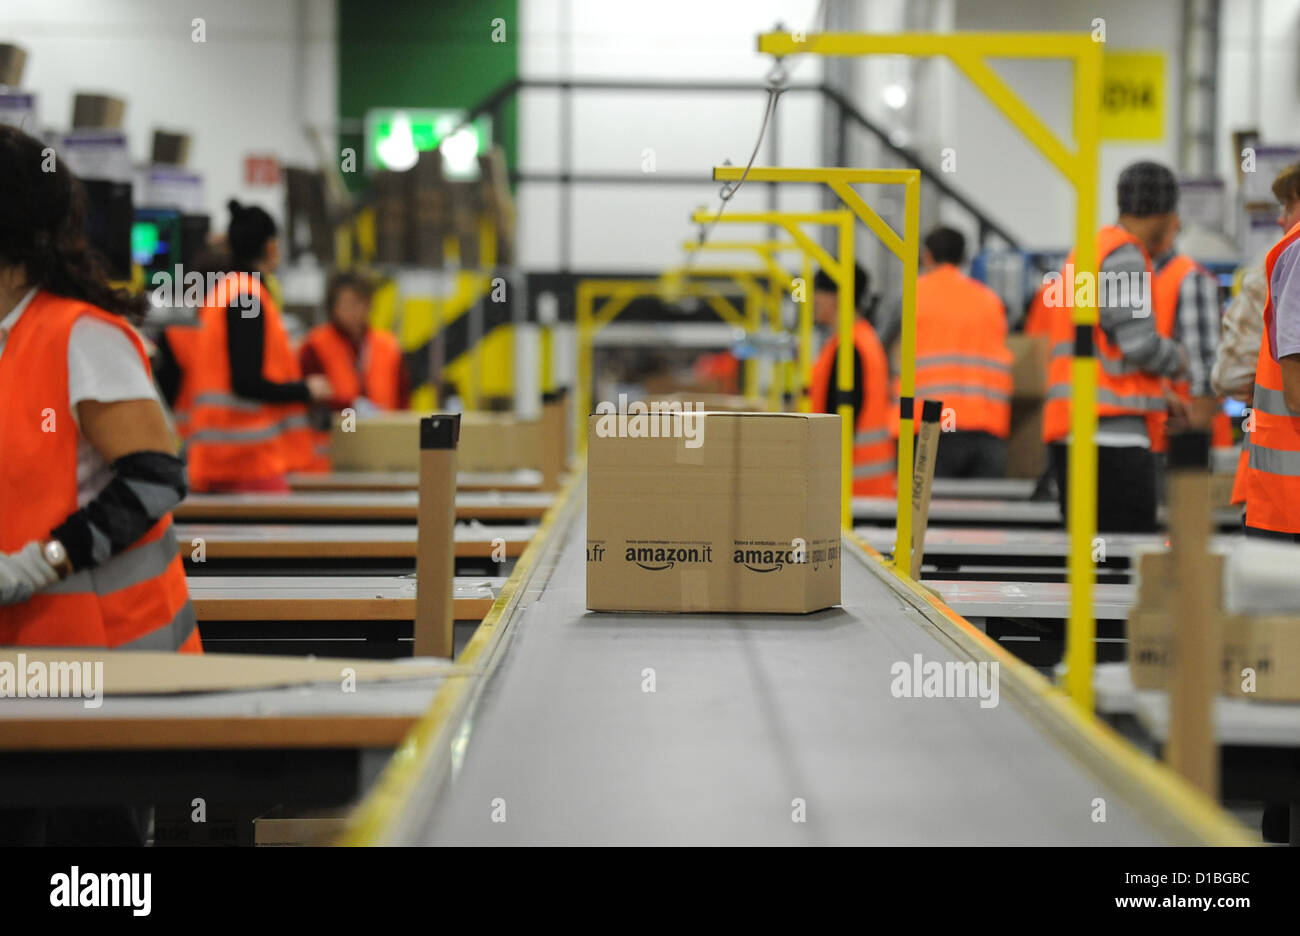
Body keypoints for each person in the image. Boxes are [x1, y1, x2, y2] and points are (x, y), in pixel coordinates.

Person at [0, 124, 199, 654]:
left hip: (112, 656)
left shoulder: (80, 337)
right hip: (30, 652)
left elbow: (156, 480)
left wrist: (44, 562)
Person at [1042, 161, 1187, 532]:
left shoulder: (1088, 251)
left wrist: (1156, 392)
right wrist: (1179, 361)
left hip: (1077, 429)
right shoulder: (1126, 255)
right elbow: (1139, 343)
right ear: (1166, 213)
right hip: (1113, 441)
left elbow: (1104, 342)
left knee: (1091, 571)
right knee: (1122, 567)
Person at [185, 201, 332, 492]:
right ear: (271, 247)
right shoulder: (247, 297)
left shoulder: (226, 292)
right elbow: (247, 381)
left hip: (221, 458)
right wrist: (307, 389)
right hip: (244, 460)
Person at [1214, 163, 1300, 508]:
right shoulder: (1277, 265)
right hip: (1281, 493)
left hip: (1277, 492)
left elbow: (1229, 376)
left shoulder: (1267, 272)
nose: (1281, 219)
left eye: (1288, 206)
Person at [900, 226, 1012, 478]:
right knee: (984, 515)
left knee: (929, 515)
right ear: (963, 258)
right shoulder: (990, 300)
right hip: (986, 427)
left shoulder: (912, 296)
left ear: (926, 256)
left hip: (932, 427)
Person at [297, 272, 407, 470]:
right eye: (347, 304)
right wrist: (351, 406)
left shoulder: (387, 346)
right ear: (333, 307)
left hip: (382, 448)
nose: (355, 311)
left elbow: (403, 399)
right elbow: (310, 400)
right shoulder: (315, 345)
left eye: (360, 303)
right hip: (333, 449)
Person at [808, 263, 894, 495]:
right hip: (864, 485)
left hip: (855, 488)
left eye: (818, 291)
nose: (813, 299)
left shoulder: (850, 347)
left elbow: (836, 421)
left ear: (836, 297)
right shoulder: (857, 339)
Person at [1148, 218, 1227, 455]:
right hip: (1154, 440)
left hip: (1189, 445)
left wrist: (1194, 440)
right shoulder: (1140, 279)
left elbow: (1207, 368)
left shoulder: (1190, 279)